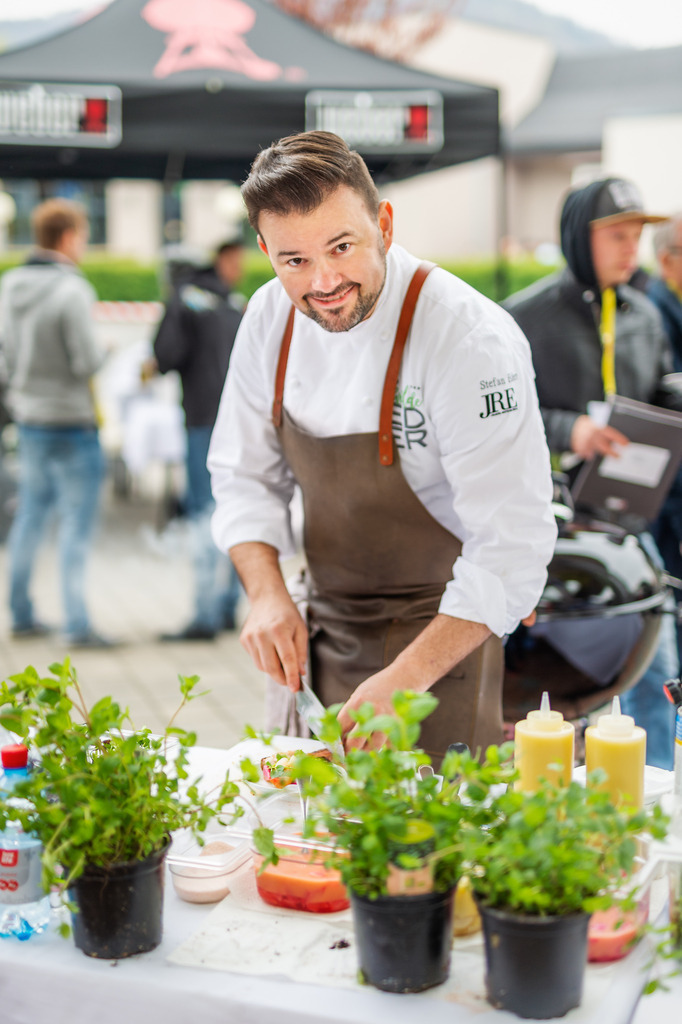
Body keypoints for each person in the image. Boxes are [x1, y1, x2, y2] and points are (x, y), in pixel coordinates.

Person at [208, 130, 557, 760]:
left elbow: (512, 548)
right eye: (294, 260)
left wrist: (407, 680)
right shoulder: (268, 319)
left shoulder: (469, 338)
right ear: (265, 250)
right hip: (319, 630)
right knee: (305, 838)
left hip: (443, 640)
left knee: (432, 846)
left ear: (385, 224)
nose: (324, 281)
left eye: (341, 246)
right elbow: (243, 477)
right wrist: (265, 592)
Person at [504, 177, 680, 768]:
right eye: (618, 236)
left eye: (637, 236)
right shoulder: (521, 319)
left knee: (656, 671)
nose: (632, 248)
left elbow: (656, 395)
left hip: (629, 531)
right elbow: (493, 415)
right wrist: (568, 429)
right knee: (550, 689)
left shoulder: (645, 316)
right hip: (547, 533)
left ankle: (655, 801)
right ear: (580, 238)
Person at [0, 198, 111, 648]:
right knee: (75, 526)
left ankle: (21, 613)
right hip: (72, 422)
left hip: (30, 419)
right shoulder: (72, 290)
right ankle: (78, 624)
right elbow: (85, 359)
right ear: (67, 237)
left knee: (29, 516)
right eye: (83, 236)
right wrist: (106, 347)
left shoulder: (10, 286)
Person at [153, 237, 245, 640]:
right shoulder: (236, 303)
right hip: (243, 424)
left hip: (204, 422)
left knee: (204, 514)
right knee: (241, 510)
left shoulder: (185, 299)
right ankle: (228, 607)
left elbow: (164, 356)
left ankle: (205, 615)